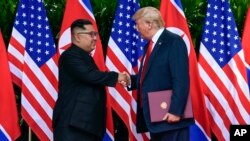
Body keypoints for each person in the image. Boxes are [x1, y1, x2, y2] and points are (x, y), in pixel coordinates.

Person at [52, 19, 129, 141]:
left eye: (96, 34)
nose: (95, 38)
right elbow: (89, 75)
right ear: (77, 37)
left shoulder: (83, 56)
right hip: (73, 125)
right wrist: (117, 77)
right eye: (91, 34)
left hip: (85, 125)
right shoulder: (70, 55)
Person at [128, 7, 194, 141]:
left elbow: (180, 79)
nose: (136, 28)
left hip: (171, 117)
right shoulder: (150, 45)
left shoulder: (173, 41)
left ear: (149, 24)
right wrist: (130, 80)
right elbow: (150, 77)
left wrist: (176, 111)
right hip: (157, 118)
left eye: (137, 24)